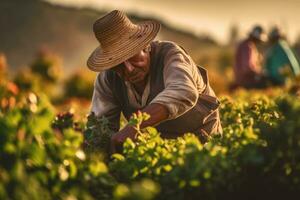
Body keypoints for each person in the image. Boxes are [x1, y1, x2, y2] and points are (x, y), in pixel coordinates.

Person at [87, 10, 222, 150]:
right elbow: (100, 125)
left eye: (133, 58)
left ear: (146, 46)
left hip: (203, 144)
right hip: (157, 151)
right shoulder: (108, 78)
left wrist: (135, 125)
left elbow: (183, 91)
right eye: (119, 64)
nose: (129, 69)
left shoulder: (171, 54)